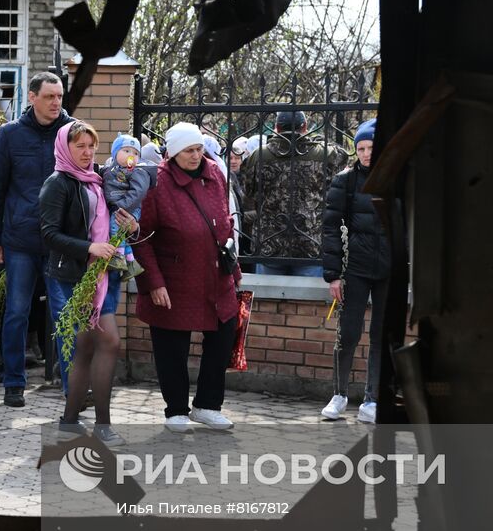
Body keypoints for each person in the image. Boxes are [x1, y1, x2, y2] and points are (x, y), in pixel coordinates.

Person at [132, 122, 241, 432]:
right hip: (174, 277)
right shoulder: (156, 182)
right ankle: (176, 409)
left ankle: (208, 405)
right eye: (188, 151)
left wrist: (233, 267)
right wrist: (154, 282)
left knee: (222, 336)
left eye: (198, 149)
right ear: (173, 152)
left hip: (216, 273)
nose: (196, 156)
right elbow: (143, 238)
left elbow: (225, 220)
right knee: (172, 345)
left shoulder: (215, 174)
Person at [39, 121, 138, 446]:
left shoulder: (98, 181)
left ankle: (70, 422)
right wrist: (89, 248)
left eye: (91, 146)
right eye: (79, 146)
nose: (86, 152)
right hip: (73, 278)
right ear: (66, 148)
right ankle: (102, 426)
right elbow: (49, 234)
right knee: (108, 343)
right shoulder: (58, 183)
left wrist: (129, 226)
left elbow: (106, 223)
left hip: (102, 275)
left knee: (84, 349)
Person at [0, 71, 73, 407]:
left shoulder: (71, 132)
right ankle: (13, 382)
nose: (55, 103)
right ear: (32, 97)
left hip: (61, 241)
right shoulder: (10, 135)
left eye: (60, 96)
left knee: (65, 312)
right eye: (49, 96)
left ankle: (72, 385)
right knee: (17, 312)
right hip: (20, 239)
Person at [319, 118, 392, 424]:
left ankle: (373, 398)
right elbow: (330, 228)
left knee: (380, 335)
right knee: (348, 333)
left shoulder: (397, 177)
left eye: (371, 147)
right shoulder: (345, 180)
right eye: (360, 148)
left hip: (390, 269)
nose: (365, 154)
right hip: (356, 269)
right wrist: (333, 274)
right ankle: (339, 395)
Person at [244, 111, 347, 277]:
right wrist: (316, 139)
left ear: (276, 128)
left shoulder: (259, 155)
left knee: (267, 298)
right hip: (310, 242)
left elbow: (249, 190)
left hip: (269, 242)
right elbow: (343, 157)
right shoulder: (324, 154)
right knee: (309, 299)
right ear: (305, 127)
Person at [99, 133, 155, 278]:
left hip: (128, 208)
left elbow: (138, 192)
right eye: (127, 151)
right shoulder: (111, 168)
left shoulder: (138, 171)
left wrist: (122, 207)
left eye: (136, 153)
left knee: (115, 226)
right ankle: (130, 263)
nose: (132, 155)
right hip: (120, 206)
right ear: (115, 153)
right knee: (121, 232)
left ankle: (118, 257)